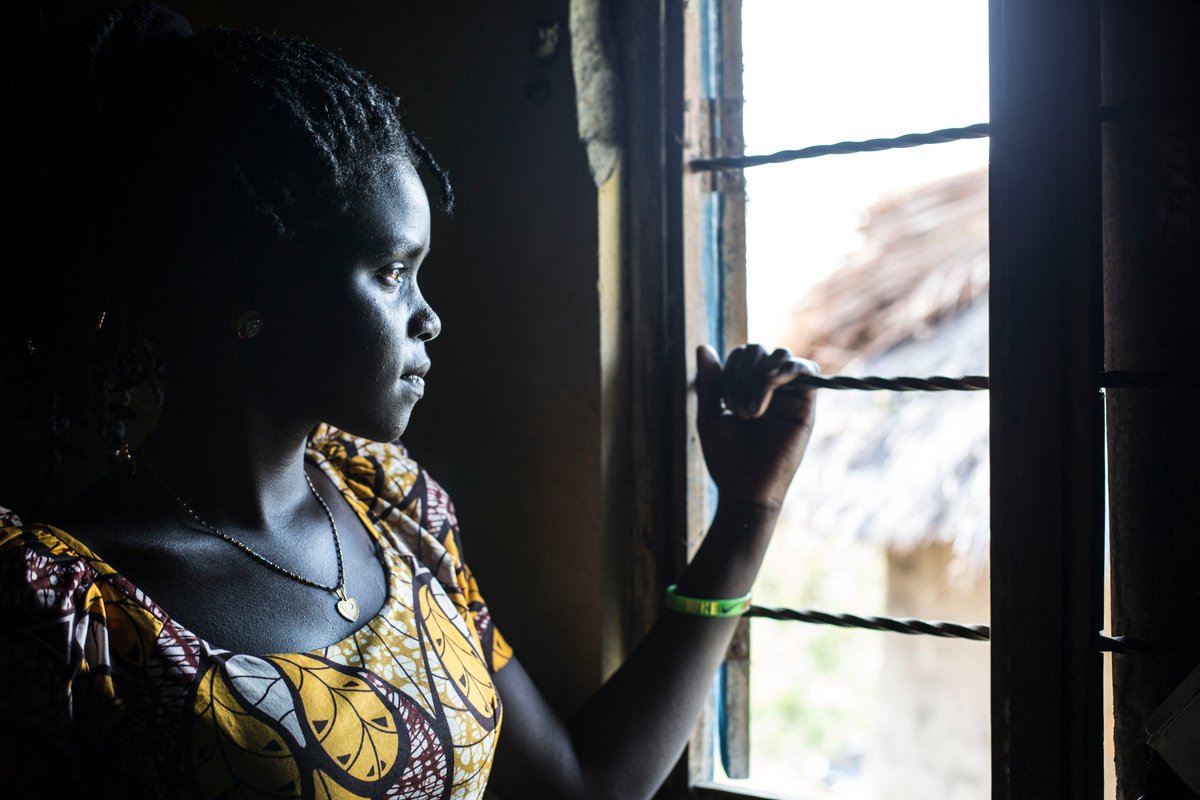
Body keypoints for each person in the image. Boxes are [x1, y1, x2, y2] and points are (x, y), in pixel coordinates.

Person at [0, 3, 818, 798]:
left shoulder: (392, 505)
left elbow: (579, 784)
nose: (429, 317)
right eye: (392, 272)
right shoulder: (69, 612)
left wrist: (748, 512)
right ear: (251, 290)